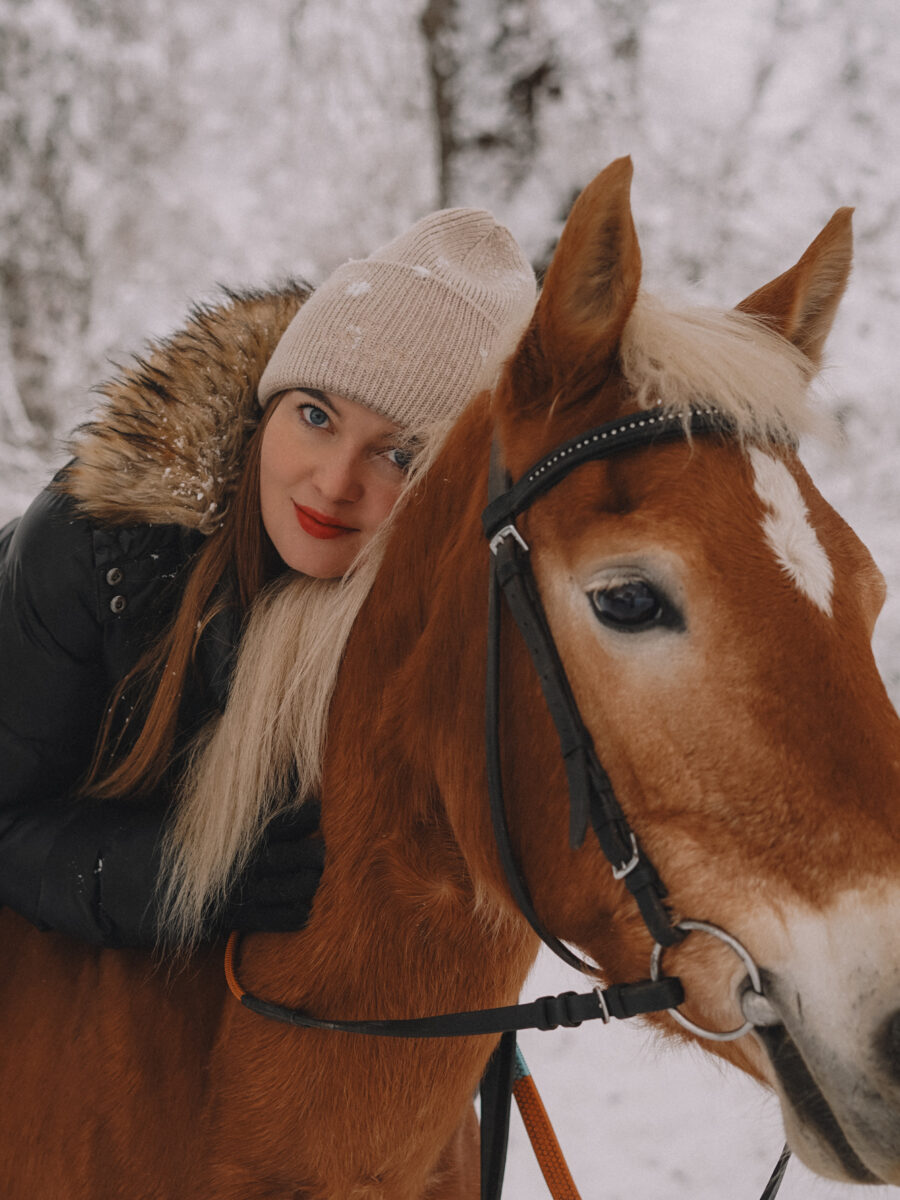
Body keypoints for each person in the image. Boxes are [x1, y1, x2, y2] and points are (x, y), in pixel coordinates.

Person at [0, 209, 536, 948]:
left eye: (401, 456)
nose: (334, 481)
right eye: (315, 415)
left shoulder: (452, 633)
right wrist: (181, 880)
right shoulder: (99, 544)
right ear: (264, 414)